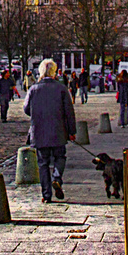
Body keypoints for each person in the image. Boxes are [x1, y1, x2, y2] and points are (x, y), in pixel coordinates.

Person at [25, 59, 77, 203]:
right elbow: (69, 112)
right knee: (60, 157)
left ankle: (46, 195)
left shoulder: (34, 89)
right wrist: (72, 131)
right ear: (54, 72)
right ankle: (57, 177)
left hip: (40, 132)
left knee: (43, 163)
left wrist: (38, 114)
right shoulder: (61, 89)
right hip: (58, 131)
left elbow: (26, 109)